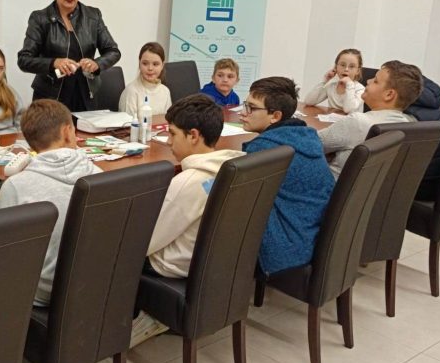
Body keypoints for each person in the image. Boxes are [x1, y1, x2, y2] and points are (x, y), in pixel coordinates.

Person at [0, 100, 100, 306]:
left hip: (44, 291)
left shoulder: (16, 186)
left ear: (29, 141)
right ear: (67, 132)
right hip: (95, 281)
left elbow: (1, 254)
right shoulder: (98, 174)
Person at [240, 77, 335, 275]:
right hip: (313, 237)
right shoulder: (307, 137)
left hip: (286, 248)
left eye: (251, 108)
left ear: (275, 116)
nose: (243, 113)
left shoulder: (264, 149)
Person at [147, 94, 243, 278]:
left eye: (172, 133)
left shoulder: (186, 183)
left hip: (172, 266)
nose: (168, 141)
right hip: (214, 262)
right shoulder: (232, 168)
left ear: (193, 135)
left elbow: (147, 241)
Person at [17, 0, 120, 112]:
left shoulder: (93, 16)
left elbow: (113, 51)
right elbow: (24, 60)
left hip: (86, 97)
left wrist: (96, 64)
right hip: (50, 99)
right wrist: (54, 63)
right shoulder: (40, 19)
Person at [318, 60, 422, 177]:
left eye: (375, 81)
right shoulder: (410, 124)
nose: (368, 81)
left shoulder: (358, 122)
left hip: (326, 185)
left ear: (389, 94)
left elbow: (309, 144)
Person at [405, 73, 440, 201]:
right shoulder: (431, 108)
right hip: (436, 183)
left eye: (376, 81)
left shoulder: (408, 118)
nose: (368, 81)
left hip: (419, 190)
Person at [303, 48, 365, 114]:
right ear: (335, 67)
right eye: (342, 65)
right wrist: (324, 82)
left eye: (351, 66)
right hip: (332, 120)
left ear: (358, 71)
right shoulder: (331, 84)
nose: (346, 69)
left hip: (352, 120)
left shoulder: (360, 89)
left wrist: (349, 84)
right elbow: (309, 101)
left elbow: (349, 110)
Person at [119, 41, 172, 118]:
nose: (150, 68)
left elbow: (167, 121)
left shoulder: (165, 91)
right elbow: (127, 123)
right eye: (145, 63)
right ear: (139, 64)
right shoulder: (131, 92)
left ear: (162, 65)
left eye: (155, 64)